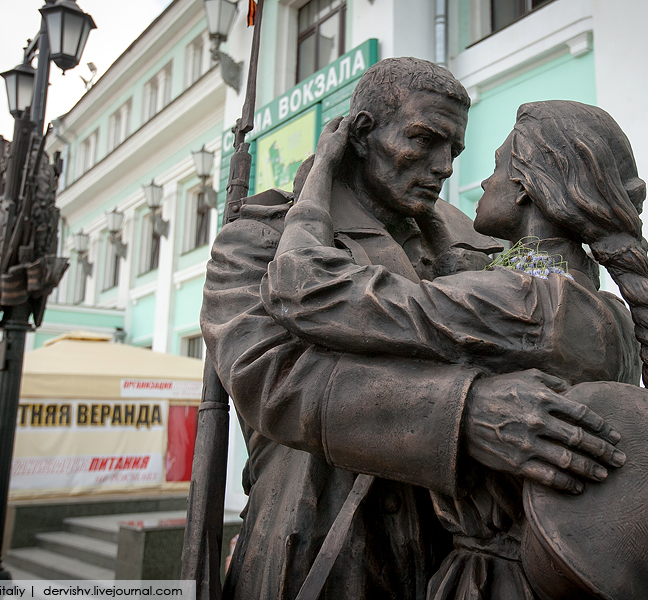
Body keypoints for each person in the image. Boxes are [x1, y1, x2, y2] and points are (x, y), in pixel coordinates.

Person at [203, 59, 625, 600]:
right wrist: (463, 413)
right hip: (323, 546)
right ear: (360, 134)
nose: (444, 166)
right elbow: (275, 381)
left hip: (456, 561)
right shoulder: (259, 240)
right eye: (424, 140)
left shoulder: (477, 244)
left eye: (454, 150)